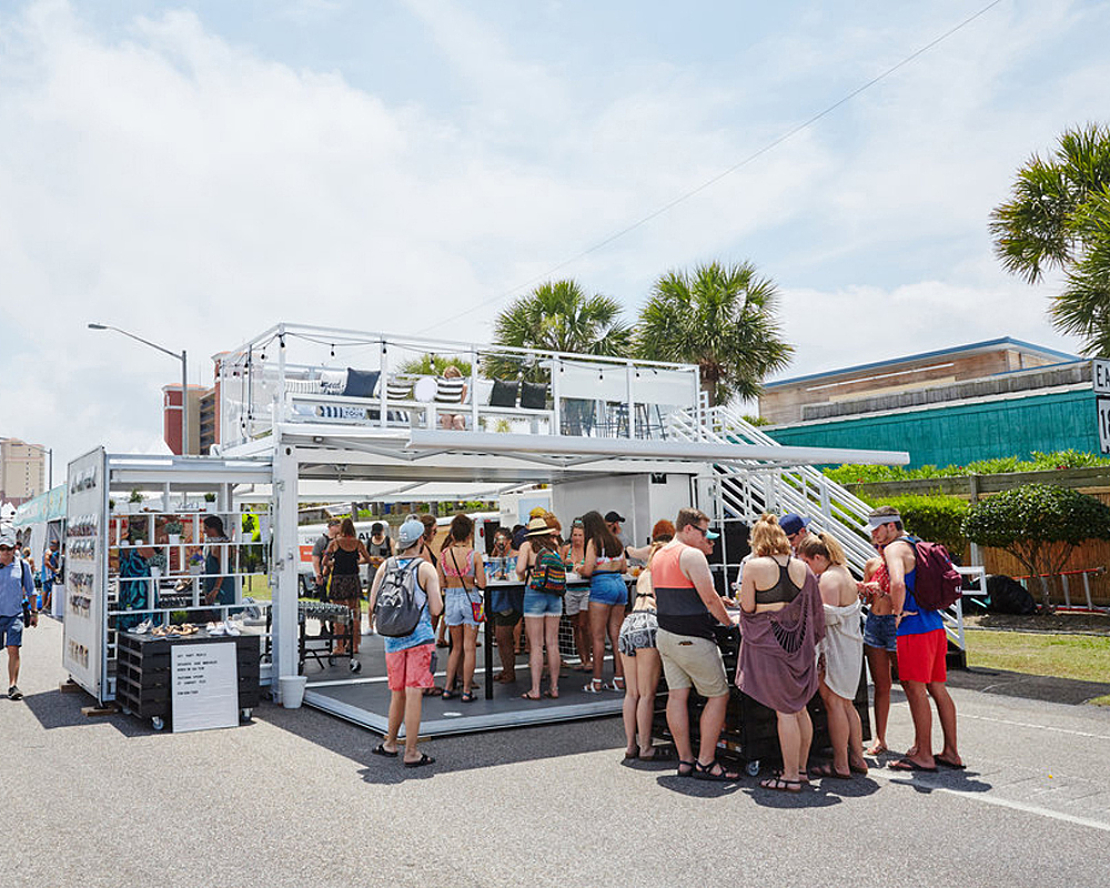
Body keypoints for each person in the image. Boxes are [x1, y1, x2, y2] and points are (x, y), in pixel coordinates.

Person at [869, 507, 964, 771]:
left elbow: (898, 584)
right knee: (937, 688)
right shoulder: (915, 543)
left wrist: (897, 614)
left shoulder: (894, 549)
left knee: (914, 690)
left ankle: (923, 754)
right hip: (934, 625)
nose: (875, 535)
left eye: (878, 529)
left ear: (890, 526)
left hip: (913, 629)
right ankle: (951, 751)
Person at [738, 514, 826, 792]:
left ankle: (788, 776)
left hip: (769, 644)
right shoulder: (803, 568)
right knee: (799, 708)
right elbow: (815, 610)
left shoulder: (753, 567)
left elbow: (748, 607)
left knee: (784, 712)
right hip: (798, 646)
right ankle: (800, 769)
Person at [652, 508, 737, 780]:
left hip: (665, 634)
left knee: (677, 696)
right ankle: (706, 762)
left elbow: (663, 595)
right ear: (688, 529)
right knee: (718, 695)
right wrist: (730, 624)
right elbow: (710, 599)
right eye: (703, 533)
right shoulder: (691, 555)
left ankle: (686, 760)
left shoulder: (660, 554)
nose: (706, 539)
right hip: (692, 637)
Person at [368, 517, 443, 768]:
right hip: (419, 639)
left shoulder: (386, 565)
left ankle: (390, 743)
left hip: (393, 640)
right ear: (421, 540)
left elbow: (371, 604)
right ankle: (411, 752)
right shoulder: (425, 569)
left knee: (396, 694)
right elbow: (436, 607)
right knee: (414, 695)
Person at [798, 533, 867, 779]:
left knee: (834, 704)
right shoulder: (843, 572)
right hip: (850, 646)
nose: (806, 569)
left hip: (836, 649)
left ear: (818, 557)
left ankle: (840, 763)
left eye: (806, 562)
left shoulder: (827, 578)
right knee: (846, 704)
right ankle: (857, 756)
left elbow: (823, 619)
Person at [618, 539, 669, 761]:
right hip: (649, 623)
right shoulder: (662, 572)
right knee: (647, 694)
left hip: (629, 623)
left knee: (632, 693)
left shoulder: (644, 573)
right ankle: (646, 747)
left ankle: (631, 745)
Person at [438, 513, 486, 702]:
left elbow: (441, 583)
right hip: (470, 598)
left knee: (455, 648)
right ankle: (467, 690)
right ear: (469, 534)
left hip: (451, 598)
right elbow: (482, 583)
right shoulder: (474, 555)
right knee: (469, 648)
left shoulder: (443, 555)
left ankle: (448, 687)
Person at [579, 510, 628, 694]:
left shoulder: (594, 542)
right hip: (619, 585)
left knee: (598, 637)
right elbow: (624, 568)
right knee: (616, 636)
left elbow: (588, 570)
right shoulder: (616, 541)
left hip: (602, 585)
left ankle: (597, 681)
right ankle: (619, 679)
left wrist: (579, 568)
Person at [517, 517, 565, 700]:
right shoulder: (554, 546)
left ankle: (535, 689)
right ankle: (554, 687)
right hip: (554, 595)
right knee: (553, 643)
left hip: (534, 593)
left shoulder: (527, 546)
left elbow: (520, 569)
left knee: (536, 645)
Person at [859, 551, 897, 755]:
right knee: (881, 684)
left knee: (910, 685)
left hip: (894, 621)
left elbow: (906, 597)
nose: (878, 546)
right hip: (874, 621)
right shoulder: (871, 564)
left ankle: (921, 741)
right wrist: (863, 590)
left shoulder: (901, 562)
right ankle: (880, 738)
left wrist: (882, 592)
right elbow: (865, 599)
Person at [323, 517, 371, 665]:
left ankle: (340, 646)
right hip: (353, 579)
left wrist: (333, 562)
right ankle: (354, 645)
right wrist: (356, 562)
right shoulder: (358, 543)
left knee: (339, 614)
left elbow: (325, 561)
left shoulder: (335, 543)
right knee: (354, 612)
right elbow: (368, 559)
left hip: (339, 579)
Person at [1, 532, 36, 699]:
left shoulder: (22, 566)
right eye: (2, 549)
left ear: (15, 549)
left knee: (13, 650)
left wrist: (35, 612)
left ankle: (13, 685)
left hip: (15, 615)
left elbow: (31, 591)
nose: (6, 552)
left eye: (9, 549)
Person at [489, 528, 524, 683]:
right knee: (501, 639)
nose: (498, 543)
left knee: (504, 637)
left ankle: (510, 673)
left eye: (501, 539)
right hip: (498, 600)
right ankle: (506, 669)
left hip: (512, 600)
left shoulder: (516, 556)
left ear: (509, 540)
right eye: (496, 539)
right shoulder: (495, 557)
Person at [561, 517, 591, 672]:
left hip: (586, 589)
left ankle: (589, 659)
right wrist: (564, 563)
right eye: (575, 535)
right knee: (575, 626)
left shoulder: (588, 549)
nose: (577, 538)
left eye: (580, 535)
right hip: (571, 590)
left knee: (584, 624)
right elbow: (559, 567)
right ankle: (582, 658)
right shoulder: (567, 549)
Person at [202, 515, 237, 622]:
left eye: (206, 528)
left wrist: (216, 589)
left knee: (223, 614)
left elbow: (223, 569)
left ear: (213, 528)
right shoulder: (213, 543)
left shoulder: (223, 544)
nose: (204, 531)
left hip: (222, 585)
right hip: (212, 583)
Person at [312, 518, 341, 599]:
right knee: (325, 599)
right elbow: (315, 558)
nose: (339, 528)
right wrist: (318, 574)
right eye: (337, 526)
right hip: (325, 576)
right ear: (330, 527)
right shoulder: (322, 541)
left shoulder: (342, 541)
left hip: (339, 576)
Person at [436, 364, 468, 430]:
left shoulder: (463, 387)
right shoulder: (440, 386)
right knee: (447, 419)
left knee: (457, 420)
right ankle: (446, 440)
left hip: (457, 412)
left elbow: (461, 402)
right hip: (444, 413)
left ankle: (462, 439)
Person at [366, 522, 393, 590]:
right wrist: (371, 559)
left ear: (382, 531)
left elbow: (394, 558)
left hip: (386, 573)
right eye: (375, 534)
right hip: (372, 574)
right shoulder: (369, 542)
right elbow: (366, 556)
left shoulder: (389, 541)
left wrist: (384, 560)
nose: (377, 536)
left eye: (378, 534)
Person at [41, 539, 60, 612]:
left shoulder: (49, 552)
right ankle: (47, 605)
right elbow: (46, 562)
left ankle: (44, 607)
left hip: (45, 575)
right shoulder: (49, 552)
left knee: (45, 591)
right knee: (53, 590)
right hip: (49, 574)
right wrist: (54, 569)